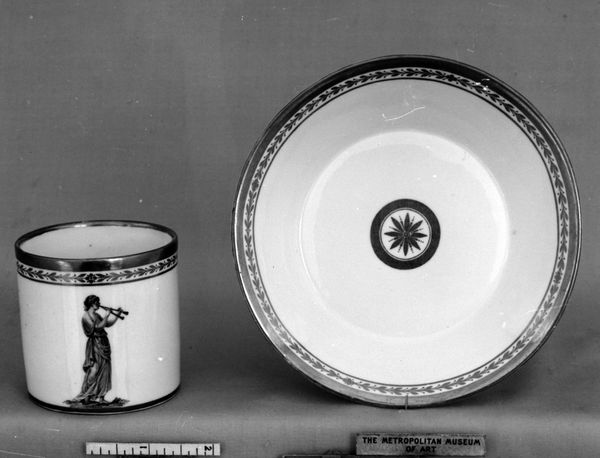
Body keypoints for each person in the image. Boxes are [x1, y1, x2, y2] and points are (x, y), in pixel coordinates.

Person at [71, 295, 124, 405]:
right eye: (97, 302)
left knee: (105, 370)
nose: (99, 304)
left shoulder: (96, 315)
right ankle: (87, 395)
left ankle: (101, 397)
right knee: (94, 370)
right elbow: (98, 327)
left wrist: (117, 315)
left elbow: (106, 324)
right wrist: (106, 315)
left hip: (103, 342)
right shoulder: (86, 316)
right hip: (95, 344)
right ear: (91, 303)